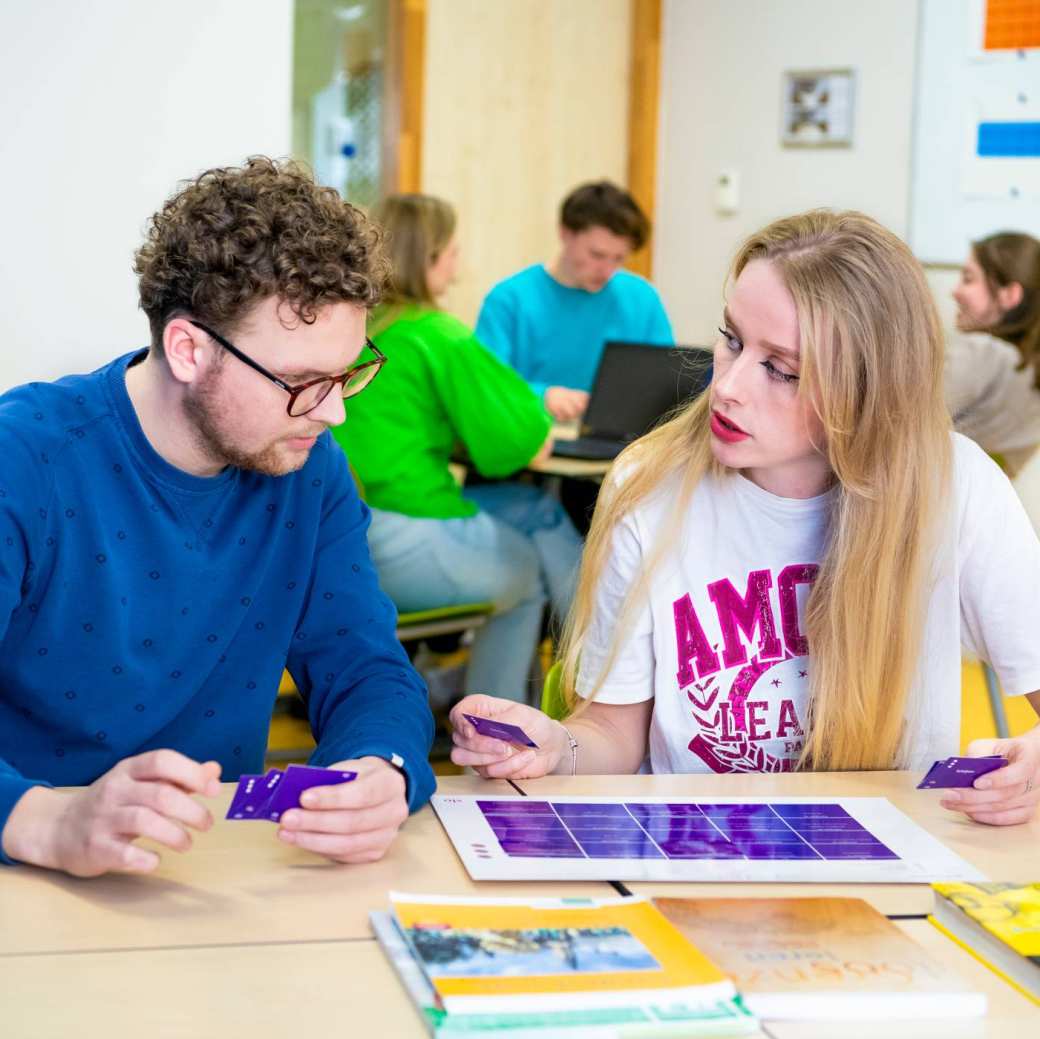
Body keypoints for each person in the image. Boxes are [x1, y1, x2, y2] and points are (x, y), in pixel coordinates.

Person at [451, 209, 1040, 828]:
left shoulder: (957, 484)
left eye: (782, 370)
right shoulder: (650, 485)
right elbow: (611, 734)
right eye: (731, 339)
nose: (726, 385)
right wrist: (554, 747)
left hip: (888, 853)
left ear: (868, 392)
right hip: (694, 853)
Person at [0, 157, 436, 877]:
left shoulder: (307, 465)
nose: (334, 411)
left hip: (210, 871)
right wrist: (47, 818)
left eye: (348, 371)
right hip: (25, 874)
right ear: (188, 349)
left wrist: (379, 767)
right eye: (300, 383)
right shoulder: (26, 458)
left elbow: (366, 667)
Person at [332, 194, 582, 703]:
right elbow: (521, 442)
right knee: (524, 576)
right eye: (452, 250)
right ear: (429, 258)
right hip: (399, 528)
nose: (458, 262)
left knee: (534, 508)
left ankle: (566, 669)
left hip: (342, 524)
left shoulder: (357, 326)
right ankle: (506, 723)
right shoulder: (437, 333)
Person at [475, 180, 673, 423]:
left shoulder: (642, 298)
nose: (607, 270)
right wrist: (542, 396)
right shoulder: (508, 300)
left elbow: (665, 383)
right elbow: (483, 388)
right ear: (565, 233)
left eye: (619, 258)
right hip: (532, 441)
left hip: (619, 444)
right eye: (597, 255)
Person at [945, 231, 1040, 476]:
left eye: (968, 279)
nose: (955, 292)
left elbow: (899, 422)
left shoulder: (983, 352)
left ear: (1009, 295)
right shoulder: (1031, 373)